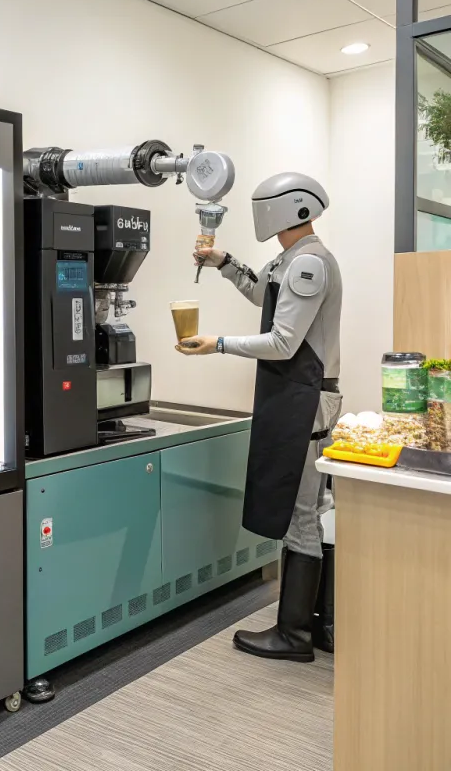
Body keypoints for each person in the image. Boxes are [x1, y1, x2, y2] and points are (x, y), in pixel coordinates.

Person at [176, 172, 342, 662]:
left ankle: (294, 636)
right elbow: (262, 295)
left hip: (306, 397)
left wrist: (218, 343)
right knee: (297, 509)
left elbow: (284, 342)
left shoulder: (310, 261)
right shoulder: (291, 258)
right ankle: (314, 626)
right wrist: (224, 262)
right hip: (292, 395)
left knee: (302, 514)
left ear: (289, 208)